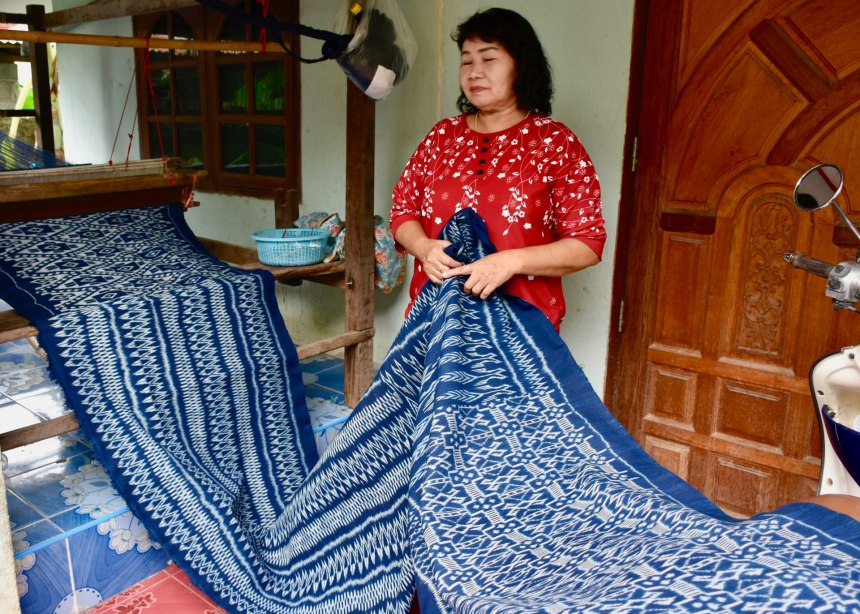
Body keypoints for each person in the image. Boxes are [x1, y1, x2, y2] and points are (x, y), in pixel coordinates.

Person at [389, 7, 606, 330]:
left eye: (489, 59)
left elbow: (587, 243)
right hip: (435, 320)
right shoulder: (441, 137)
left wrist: (511, 261)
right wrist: (422, 247)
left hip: (520, 328)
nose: (474, 72)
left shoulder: (555, 143)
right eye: (466, 61)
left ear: (521, 65)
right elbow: (403, 211)